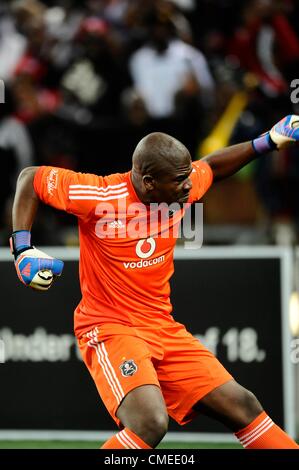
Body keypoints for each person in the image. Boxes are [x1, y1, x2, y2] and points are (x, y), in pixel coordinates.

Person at [10, 114, 299, 449]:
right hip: (110, 327)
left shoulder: (177, 190)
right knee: (149, 423)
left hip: (162, 326)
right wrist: (22, 249)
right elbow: (30, 179)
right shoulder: (100, 195)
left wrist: (268, 140)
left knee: (242, 404)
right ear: (149, 183)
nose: (189, 185)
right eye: (179, 179)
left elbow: (212, 168)